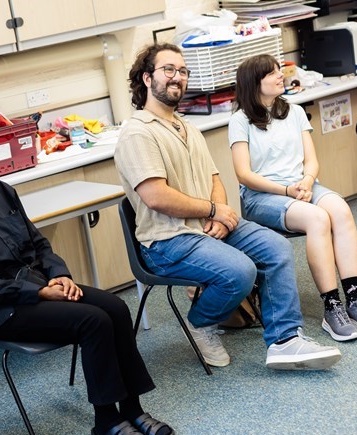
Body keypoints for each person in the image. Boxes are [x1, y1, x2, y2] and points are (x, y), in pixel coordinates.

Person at [0, 110, 172, 435]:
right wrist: (37, 291)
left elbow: (38, 244)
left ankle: (132, 409)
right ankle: (106, 422)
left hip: (41, 288)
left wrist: (59, 274)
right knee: (93, 320)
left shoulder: (0, 191)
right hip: (0, 310)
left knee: (115, 307)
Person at [115, 43, 342, 371]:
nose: (177, 77)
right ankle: (200, 322)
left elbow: (214, 178)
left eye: (182, 71)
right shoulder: (138, 133)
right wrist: (212, 211)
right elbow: (156, 197)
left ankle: (285, 340)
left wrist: (220, 213)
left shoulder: (187, 127)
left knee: (276, 248)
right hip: (167, 239)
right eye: (168, 70)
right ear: (147, 79)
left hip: (205, 225)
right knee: (240, 270)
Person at [230, 54, 357, 342]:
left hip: (302, 186)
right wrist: (287, 191)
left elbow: (311, 160)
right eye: (272, 73)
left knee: (340, 209)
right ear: (254, 83)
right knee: (317, 218)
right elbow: (244, 175)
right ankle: (332, 307)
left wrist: (307, 181)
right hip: (262, 197)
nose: (280, 76)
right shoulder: (240, 121)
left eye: (280, 71)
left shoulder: (294, 111)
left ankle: (355, 300)